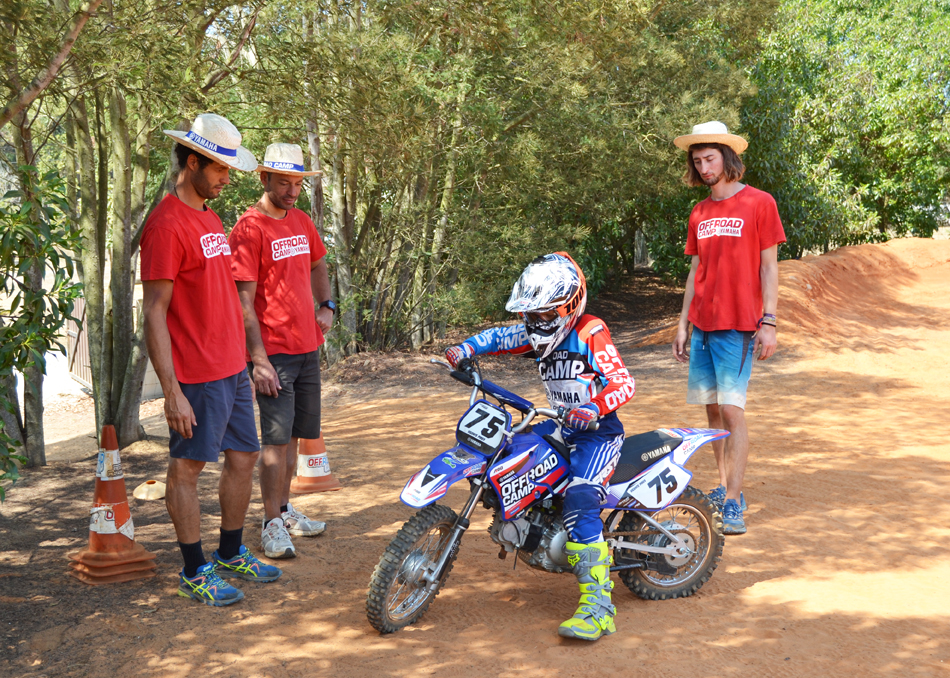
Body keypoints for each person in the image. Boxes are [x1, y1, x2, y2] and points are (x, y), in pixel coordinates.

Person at [445, 253, 635, 641]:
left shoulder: (589, 331)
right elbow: (498, 337)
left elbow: (623, 382)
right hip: (561, 425)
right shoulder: (536, 335)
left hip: (598, 433)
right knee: (509, 457)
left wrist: (593, 407)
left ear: (569, 305)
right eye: (531, 316)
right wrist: (464, 349)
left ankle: (599, 607)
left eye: (545, 315)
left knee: (581, 501)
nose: (536, 323)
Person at [142, 113, 282, 607]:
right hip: (197, 374)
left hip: (231, 368)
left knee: (243, 457)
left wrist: (249, 357)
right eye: (220, 169)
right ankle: (193, 569)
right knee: (188, 468)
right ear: (194, 161)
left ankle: (228, 552)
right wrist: (173, 390)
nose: (227, 178)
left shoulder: (207, 214)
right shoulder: (164, 225)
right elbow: (154, 313)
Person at [670, 120, 786, 536]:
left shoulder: (759, 203)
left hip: (738, 325)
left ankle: (734, 500)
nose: (704, 167)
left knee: (733, 412)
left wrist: (768, 322)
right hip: (701, 323)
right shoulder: (700, 211)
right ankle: (722, 485)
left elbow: (769, 267)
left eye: (710, 158)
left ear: (728, 158)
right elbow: (696, 269)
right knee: (713, 411)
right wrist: (682, 324)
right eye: (698, 161)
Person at [229, 143, 333, 559]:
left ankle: (286, 511)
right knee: (273, 444)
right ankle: (270, 523)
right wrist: (257, 359)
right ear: (264, 179)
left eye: (297, 184)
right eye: (284, 183)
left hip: (307, 347)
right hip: (273, 355)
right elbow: (243, 303)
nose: (292, 192)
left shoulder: (302, 221)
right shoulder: (249, 229)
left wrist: (326, 306)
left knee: (293, 440)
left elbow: (318, 265)